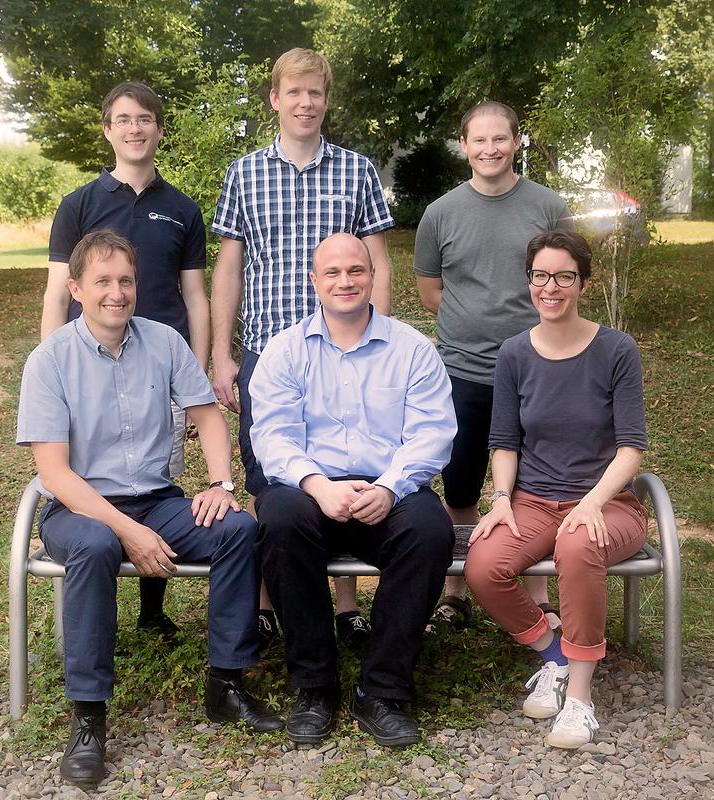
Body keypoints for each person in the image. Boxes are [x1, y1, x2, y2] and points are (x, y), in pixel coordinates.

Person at [17, 231, 282, 787]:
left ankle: (226, 684)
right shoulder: (50, 360)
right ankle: (88, 715)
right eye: (103, 282)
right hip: (81, 508)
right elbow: (56, 473)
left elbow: (208, 415)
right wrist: (126, 531)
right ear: (76, 289)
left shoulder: (164, 341)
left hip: (156, 500)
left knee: (236, 528)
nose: (117, 293)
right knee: (95, 545)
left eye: (126, 281)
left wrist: (220, 482)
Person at [211, 48, 395, 650]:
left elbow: (380, 262)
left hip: (344, 349)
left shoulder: (358, 171)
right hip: (269, 353)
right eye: (294, 92)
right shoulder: (244, 174)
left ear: (326, 99)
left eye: (315, 93)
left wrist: (382, 344)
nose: (305, 103)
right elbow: (229, 269)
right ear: (275, 99)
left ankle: (346, 607)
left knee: (347, 466)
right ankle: (268, 604)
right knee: (273, 481)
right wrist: (221, 353)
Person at [249, 233, 456, 746]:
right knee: (278, 521)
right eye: (333, 273)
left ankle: (382, 689)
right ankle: (315, 686)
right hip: (308, 490)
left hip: (387, 489)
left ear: (372, 276)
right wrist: (317, 486)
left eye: (356, 271)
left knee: (431, 531)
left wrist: (389, 488)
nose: (346, 281)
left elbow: (433, 432)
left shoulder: (411, 349)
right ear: (313, 281)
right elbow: (271, 436)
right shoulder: (285, 350)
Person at [465, 229, 648, 748]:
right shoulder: (514, 354)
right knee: (482, 565)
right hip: (534, 501)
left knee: (578, 542)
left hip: (608, 503)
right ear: (530, 281)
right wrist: (501, 500)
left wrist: (592, 502)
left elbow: (632, 446)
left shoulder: (616, 349)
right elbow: (503, 441)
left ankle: (580, 701)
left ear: (583, 283)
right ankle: (556, 657)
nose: (551, 287)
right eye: (541, 276)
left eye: (564, 276)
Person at [41, 81, 210, 641]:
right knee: (106, 470)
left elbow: (196, 298)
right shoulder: (80, 205)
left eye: (145, 119)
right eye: (123, 119)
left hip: (161, 365)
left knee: (153, 476)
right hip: (92, 359)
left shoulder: (182, 209)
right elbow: (55, 294)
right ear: (108, 130)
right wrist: (51, 364)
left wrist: (199, 380)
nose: (135, 128)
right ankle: (101, 608)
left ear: (160, 130)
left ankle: (152, 608)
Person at [414, 100, 575, 630]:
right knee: (460, 484)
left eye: (499, 139)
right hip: (461, 371)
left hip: (539, 369)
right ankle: (455, 592)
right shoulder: (440, 213)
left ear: (516, 141)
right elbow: (431, 290)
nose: (489, 149)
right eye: (478, 140)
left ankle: (538, 594)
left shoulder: (548, 207)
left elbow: (563, 280)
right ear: (463, 146)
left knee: (537, 484)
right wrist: (476, 322)